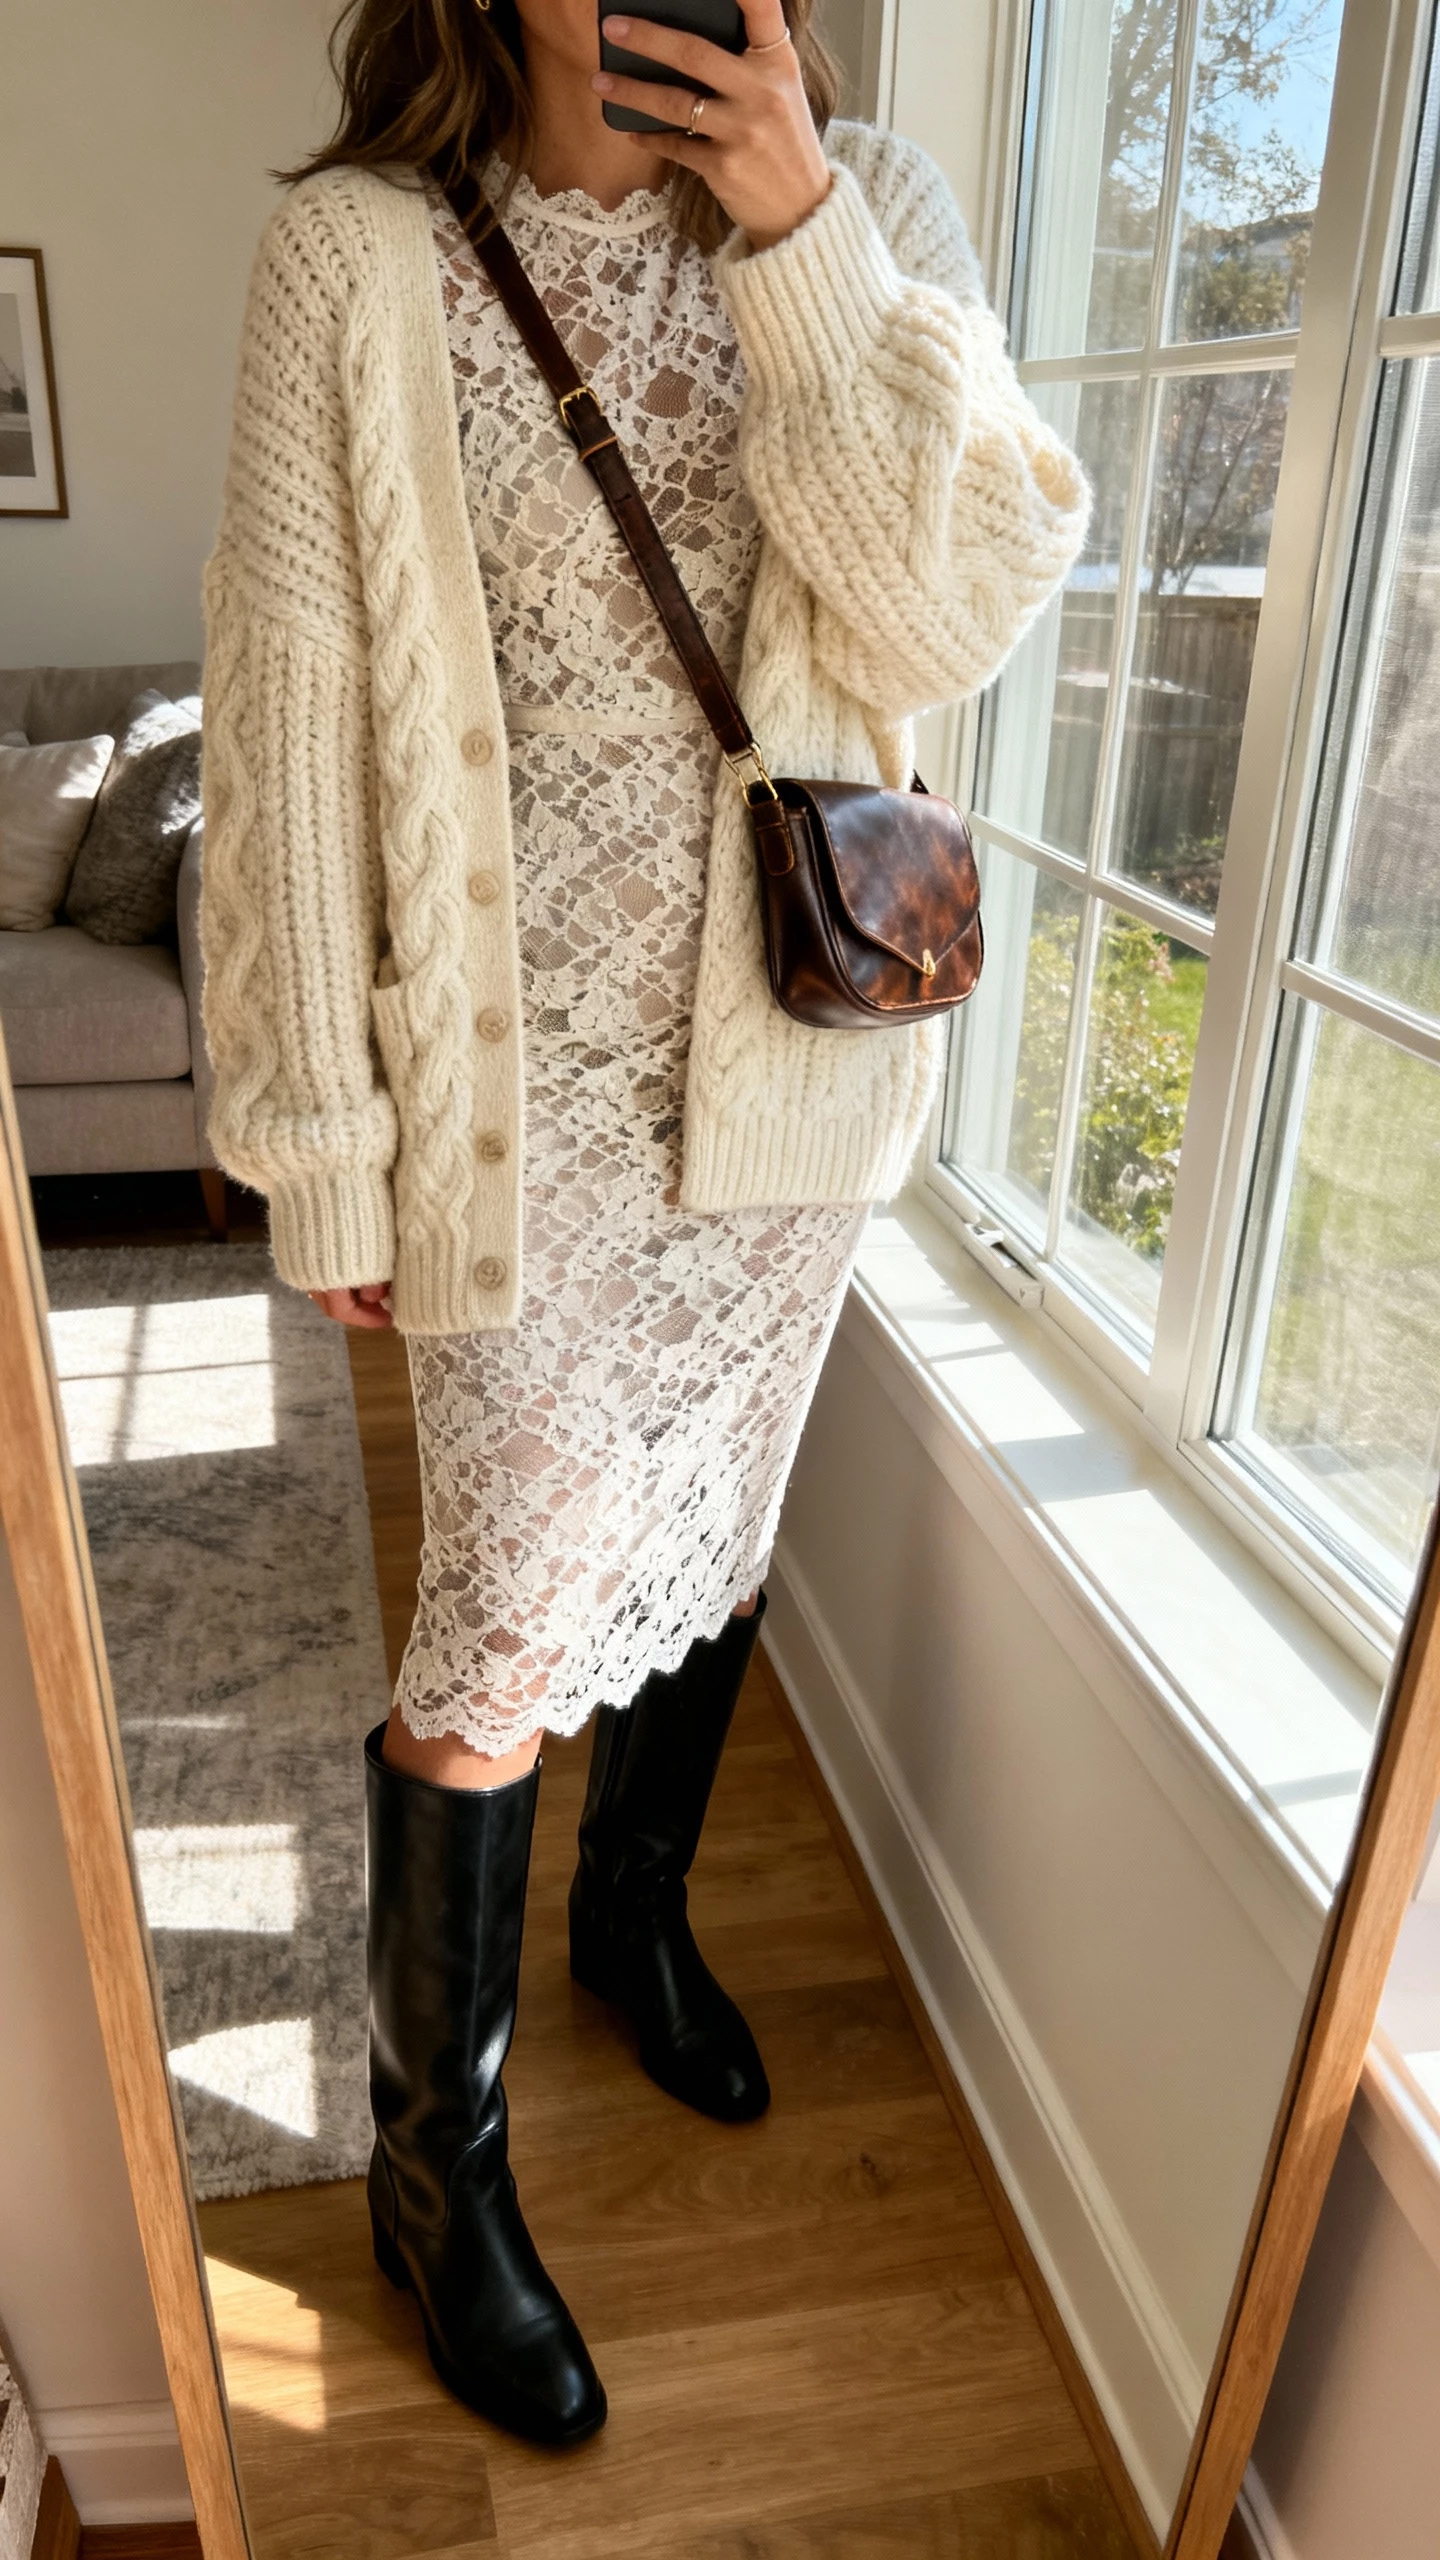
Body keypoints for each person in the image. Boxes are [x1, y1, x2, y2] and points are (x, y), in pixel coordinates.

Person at [200, 0, 1086, 2453]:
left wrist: (801, 239)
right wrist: (316, 1125)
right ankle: (436, 2168)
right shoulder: (356, 253)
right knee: (502, 1610)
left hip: (791, 1048)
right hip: (513, 1101)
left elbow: (944, 624)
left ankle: (634, 1915)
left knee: (716, 1507)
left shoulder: (876, 211)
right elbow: (288, 708)